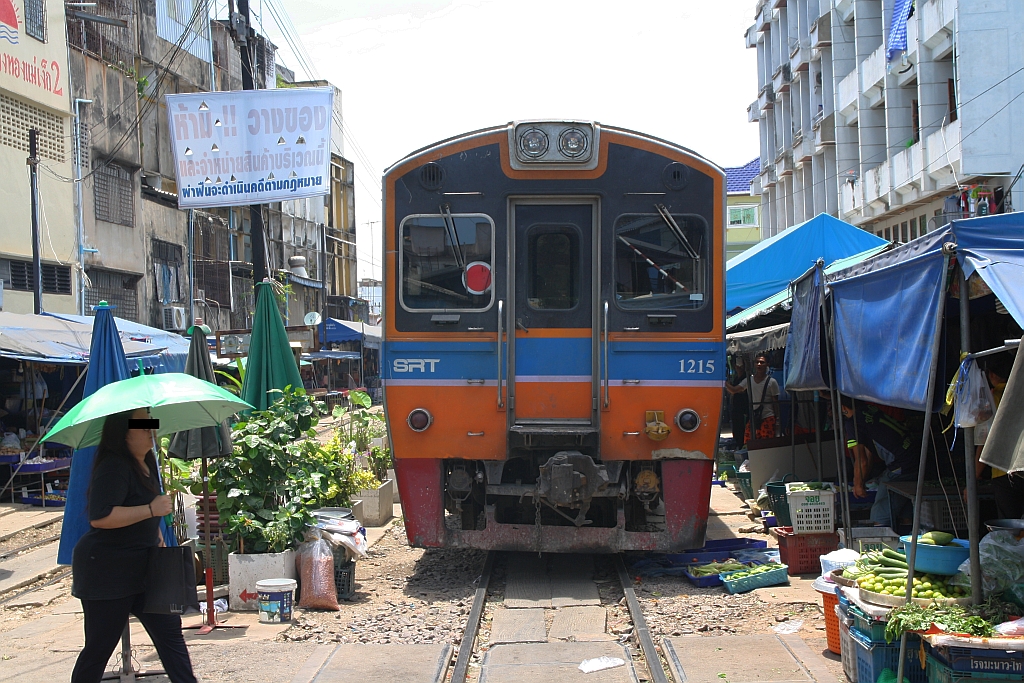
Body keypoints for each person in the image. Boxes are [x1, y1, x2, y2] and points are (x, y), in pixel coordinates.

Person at [71, 408, 197, 683]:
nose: (150, 432)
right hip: (106, 570)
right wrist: (150, 510)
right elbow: (101, 517)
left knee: (170, 634)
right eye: (143, 426)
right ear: (123, 433)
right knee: (100, 646)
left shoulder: (148, 462)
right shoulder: (114, 466)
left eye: (152, 424)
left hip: (145, 566)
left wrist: (158, 537)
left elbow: (147, 518)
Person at [972, 354, 1024, 519]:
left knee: (1010, 526)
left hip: (1003, 471)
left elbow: (984, 440)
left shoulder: (991, 402)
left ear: (992, 375)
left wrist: (975, 476)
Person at [725, 352, 780, 441]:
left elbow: (775, 403)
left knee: (767, 444)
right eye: (757, 362)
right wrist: (722, 381)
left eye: (762, 362)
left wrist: (777, 420)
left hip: (768, 417)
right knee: (749, 442)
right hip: (754, 418)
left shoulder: (772, 382)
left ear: (767, 365)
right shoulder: (749, 380)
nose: (759, 364)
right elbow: (734, 390)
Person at [727, 356, 750, 446]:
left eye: (741, 366)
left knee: (742, 432)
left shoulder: (746, 379)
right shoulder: (736, 378)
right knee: (736, 432)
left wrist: (723, 382)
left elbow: (734, 390)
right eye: (737, 366)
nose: (739, 368)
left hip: (743, 411)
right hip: (735, 411)